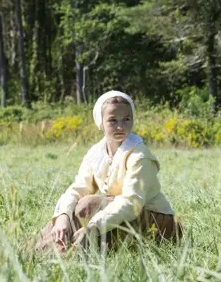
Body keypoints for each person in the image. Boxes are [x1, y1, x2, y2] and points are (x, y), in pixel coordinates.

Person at [35, 91, 182, 253]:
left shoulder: (140, 155)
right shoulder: (96, 152)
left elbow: (132, 203)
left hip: (155, 224)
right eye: (112, 120)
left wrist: (93, 227)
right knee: (77, 207)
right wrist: (62, 216)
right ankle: (38, 251)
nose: (120, 126)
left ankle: (65, 252)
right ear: (101, 122)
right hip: (119, 216)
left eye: (127, 119)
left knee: (88, 205)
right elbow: (78, 188)